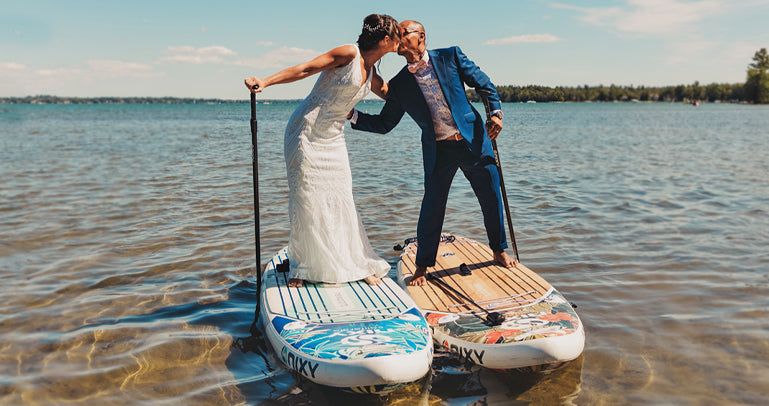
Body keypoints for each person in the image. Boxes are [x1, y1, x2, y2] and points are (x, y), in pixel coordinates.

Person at [349, 20, 517, 286]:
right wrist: (353, 116)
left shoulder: (450, 56)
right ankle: (422, 267)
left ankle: (498, 251)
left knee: (491, 196)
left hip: (474, 140)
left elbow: (484, 84)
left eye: (404, 33)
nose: (398, 37)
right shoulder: (400, 84)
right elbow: (385, 124)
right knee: (432, 208)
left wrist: (495, 113)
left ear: (421, 37)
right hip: (440, 150)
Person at [244, 14, 401, 287]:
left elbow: (393, 95)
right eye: (398, 36)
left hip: (333, 138)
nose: (400, 41)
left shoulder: (373, 73)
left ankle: (354, 261)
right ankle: (303, 266)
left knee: (342, 197)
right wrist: (266, 82)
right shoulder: (349, 53)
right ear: (387, 40)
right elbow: (306, 68)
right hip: (305, 132)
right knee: (308, 198)